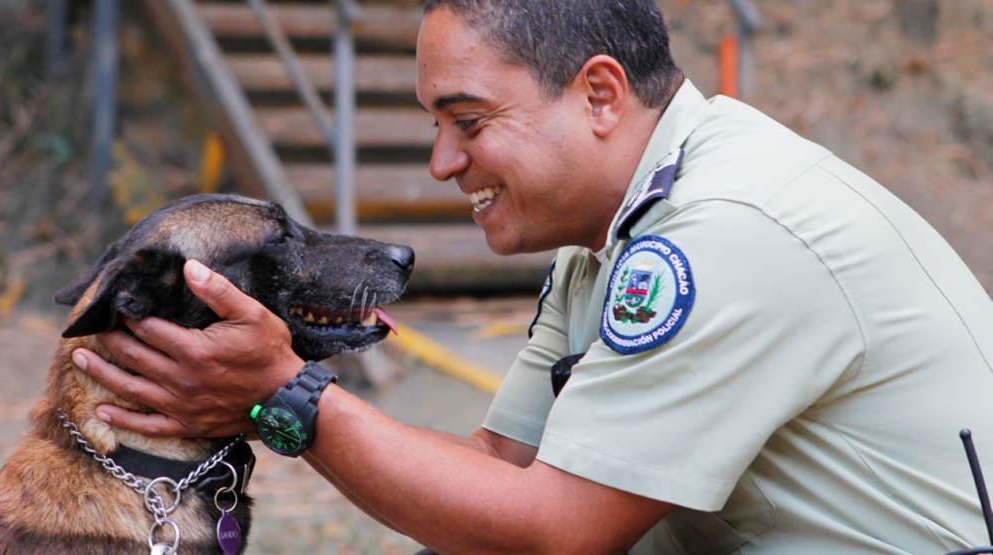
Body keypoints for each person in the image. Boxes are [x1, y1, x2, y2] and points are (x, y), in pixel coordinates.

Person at [71, 0, 993, 553]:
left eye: (468, 121)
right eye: (436, 124)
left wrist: (290, 397)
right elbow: (500, 472)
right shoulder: (613, 231)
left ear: (599, 93)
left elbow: (556, 533)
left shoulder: (725, 233)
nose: (440, 162)